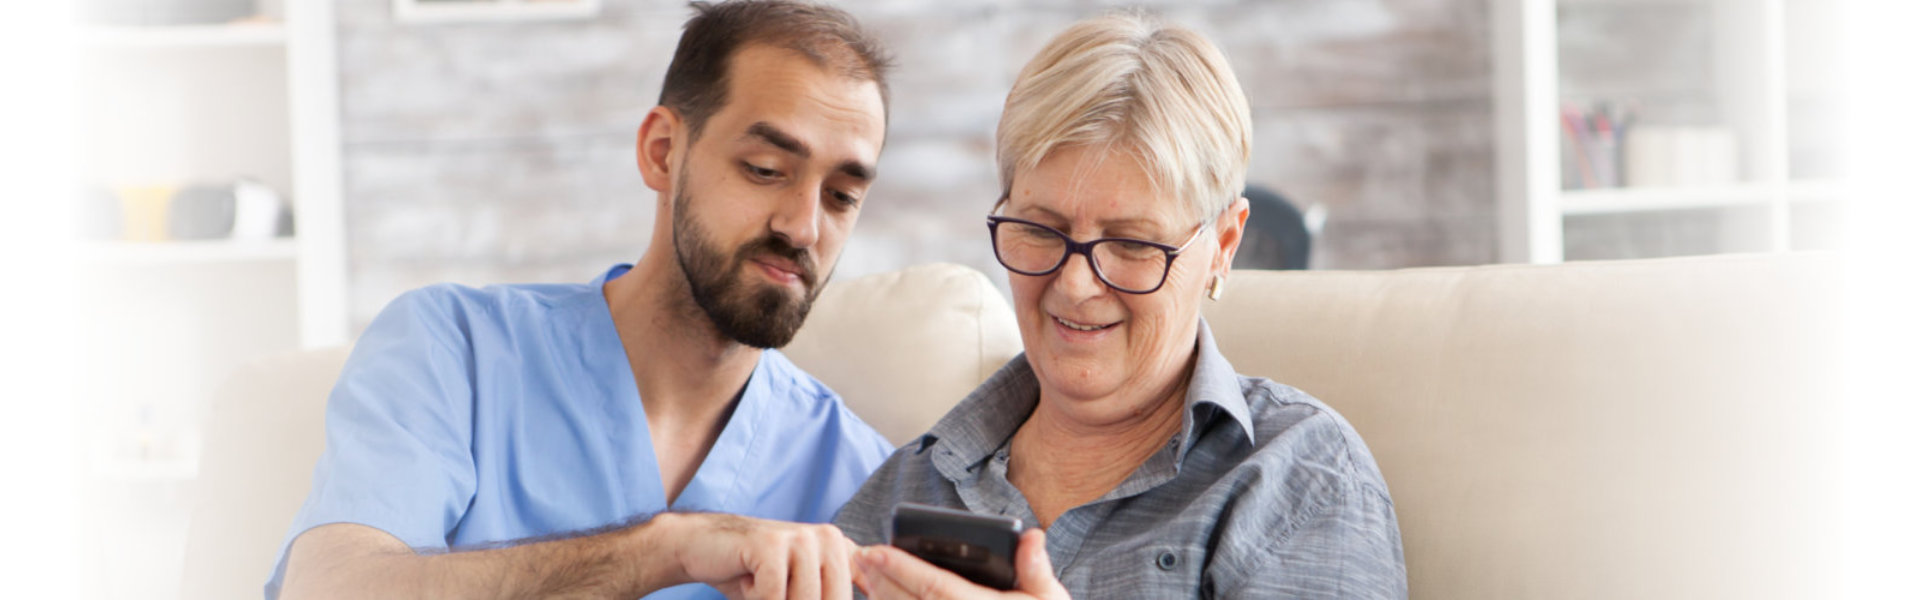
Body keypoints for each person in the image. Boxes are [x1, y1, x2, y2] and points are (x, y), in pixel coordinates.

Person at [271, 2, 896, 599]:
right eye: (764, 168)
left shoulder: (862, 476)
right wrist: (668, 550)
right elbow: (328, 590)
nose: (803, 227)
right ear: (662, 153)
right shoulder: (451, 350)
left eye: (841, 196)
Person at [835, 13, 1407, 599]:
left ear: (1223, 246)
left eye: (1132, 243)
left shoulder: (1298, 477)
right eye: (1040, 230)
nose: (1076, 284)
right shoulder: (911, 486)